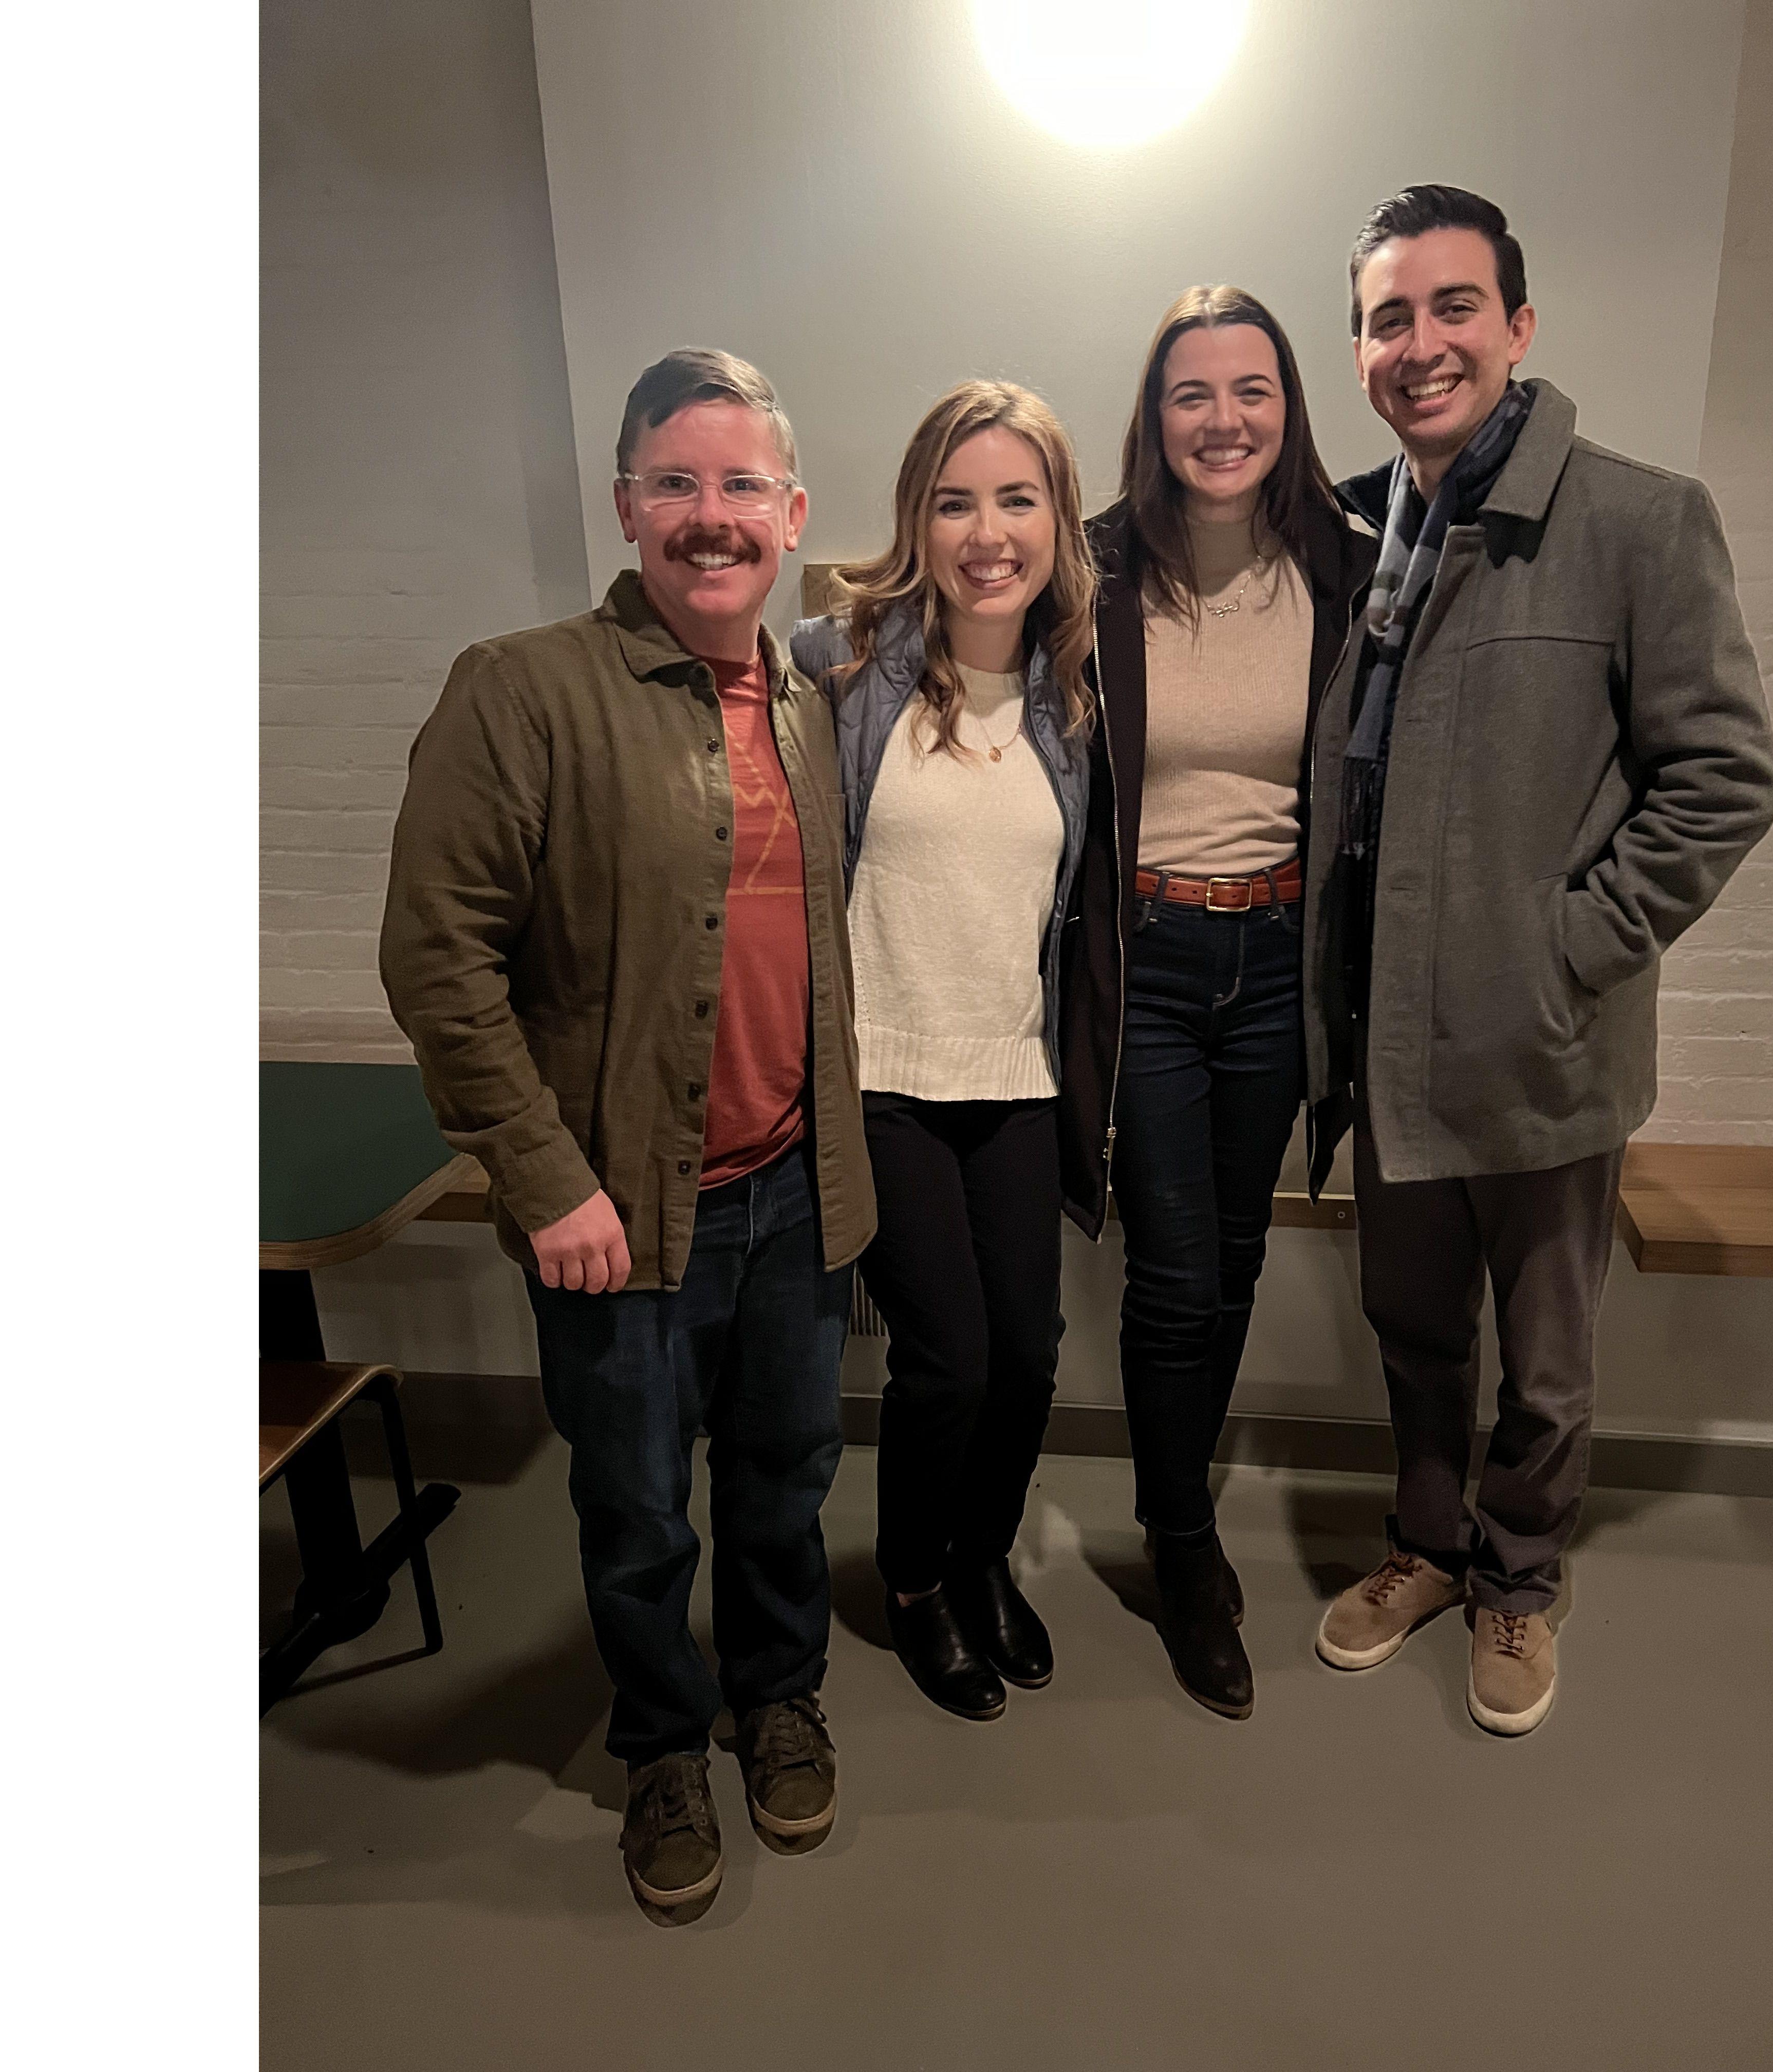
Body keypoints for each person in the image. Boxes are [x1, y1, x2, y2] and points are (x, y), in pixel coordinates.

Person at [380, 349, 873, 1922]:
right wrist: (546, 1183)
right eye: (676, 482)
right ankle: (663, 1741)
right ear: (625, 506)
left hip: (794, 1195)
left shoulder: (806, 709)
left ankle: (778, 1696)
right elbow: (438, 960)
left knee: (787, 1482)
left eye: (740, 485)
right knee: (641, 1509)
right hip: (619, 1219)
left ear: (791, 513)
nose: (709, 515)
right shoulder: (522, 690)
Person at [1305, 186, 1773, 1734]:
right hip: (1390, 1040)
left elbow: (1725, 778)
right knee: (1413, 1329)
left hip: (1544, 1044)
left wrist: (1570, 948)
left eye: (1454, 307)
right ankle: (1428, 1544)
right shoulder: (1358, 534)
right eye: (1388, 318)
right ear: (1360, 350)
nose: (1421, 343)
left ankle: (1518, 1575)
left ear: (1518, 325)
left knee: (1549, 1361)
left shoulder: (1640, 521)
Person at [1057, 288, 1380, 1720]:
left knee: (1237, 1259)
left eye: (1253, 390)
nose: (1225, 419)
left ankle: (1179, 1513)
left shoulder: (1349, 568)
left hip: (1280, 962)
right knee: (1178, 1273)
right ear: (1155, 416)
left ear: (1291, 408)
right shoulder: (1093, 571)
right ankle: (1181, 1539)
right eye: (1193, 393)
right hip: (1149, 960)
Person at [791, 382, 1093, 1723]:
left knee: (1027, 1357)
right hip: (884, 1077)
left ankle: (980, 1558)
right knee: (950, 1363)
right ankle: (915, 1582)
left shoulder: (1078, 694)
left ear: (1057, 519)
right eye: (956, 502)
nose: (988, 532)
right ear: (918, 517)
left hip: (1015, 1073)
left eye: (1017, 499)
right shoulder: (841, 667)